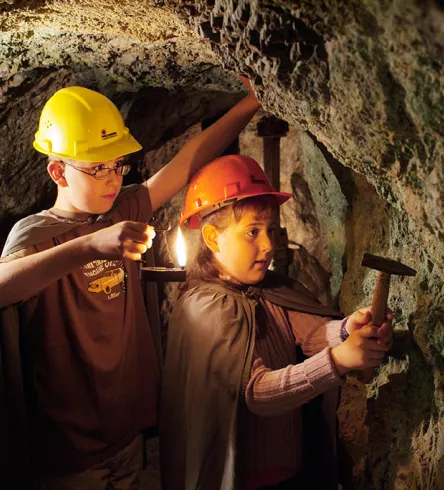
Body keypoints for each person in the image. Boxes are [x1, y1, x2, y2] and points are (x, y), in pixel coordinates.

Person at [0, 80, 261, 489]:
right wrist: (91, 245)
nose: (112, 179)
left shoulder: (123, 210)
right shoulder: (34, 235)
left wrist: (254, 100)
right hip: (66, 455)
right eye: (97, 168)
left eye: (118, 164)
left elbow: (187, 163)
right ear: (57, 171)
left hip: (126, 437)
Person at [160, 154, 393, 490]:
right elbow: (256, 391)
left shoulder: (264, 290)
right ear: (212, 238)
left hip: (292, 472)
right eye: (252, 232)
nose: (268, 245)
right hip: (250, 481)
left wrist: (347, 330)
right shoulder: (207, 309)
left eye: (270, 229)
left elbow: (309, 334)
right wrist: (339, 360)